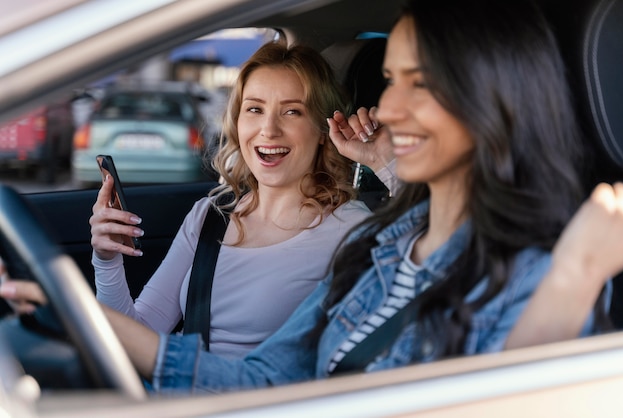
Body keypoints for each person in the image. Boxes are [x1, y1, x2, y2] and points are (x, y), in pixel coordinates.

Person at [1, 0, 622, 394]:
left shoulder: (534, 268)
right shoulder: (379, 248)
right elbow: (264, 379)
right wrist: (67, 299)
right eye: (388, 81)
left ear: (496, 98)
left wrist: (575, 278)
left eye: (422, 83)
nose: (391, 107)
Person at [1, 41, 374, 360]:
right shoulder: (210, 216)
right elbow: (138, 334)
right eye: (255, 109)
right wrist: (108, 260)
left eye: (292, 111)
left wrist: (384, 163)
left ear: (324, 130)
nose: (268, 129)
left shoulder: (351, 228)